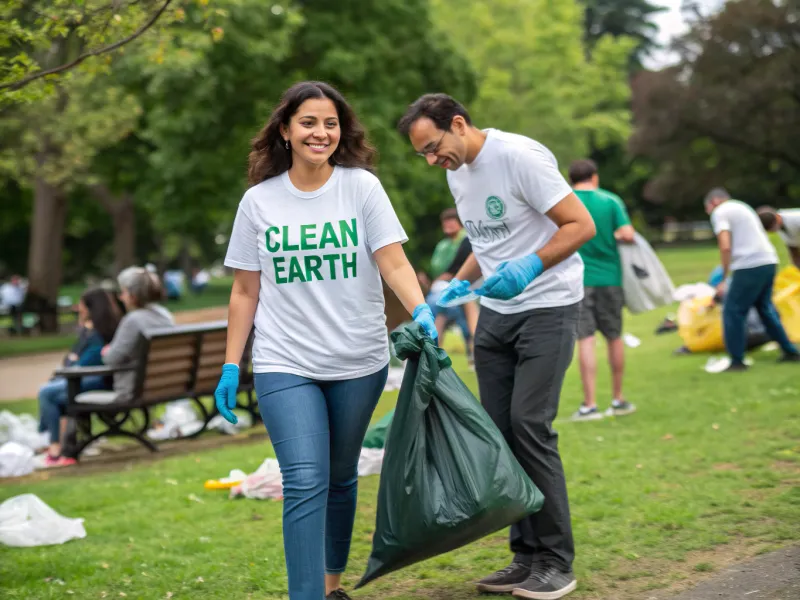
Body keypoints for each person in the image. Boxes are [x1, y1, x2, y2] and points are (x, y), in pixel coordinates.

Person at [213, 81, 436, 600]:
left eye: (330, 123)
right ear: (286, 131)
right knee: (305, 479)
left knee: (340, 475)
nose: (320, 132)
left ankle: (332, 585)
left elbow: (392, 259)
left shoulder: (361, 188)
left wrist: (420, 307)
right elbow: (245, 290)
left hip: (359, 359)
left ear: (342, 131)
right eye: (309, 122)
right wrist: (230, 364)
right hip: (284, 361)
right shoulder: (258, 202)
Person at [399, 93, 595, 600]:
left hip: (548, 305)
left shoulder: (519, 159)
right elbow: (484, 244)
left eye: (433, 147)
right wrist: (453, 285)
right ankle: (524, 556)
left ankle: (556, 561)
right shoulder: (456, 171)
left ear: (459, 124)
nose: (431, 160)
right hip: (496, 316)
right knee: (498, 433)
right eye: (422, 153)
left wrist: (531, 266)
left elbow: (581, 225)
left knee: (530, 426)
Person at [567, 159, 636, 421]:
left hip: (577, 279)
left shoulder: (566, 201)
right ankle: (618, 399)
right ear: (594, 177)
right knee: (614, 336)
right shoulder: (611, 201)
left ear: (571, 178)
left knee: (585, 339)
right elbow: (628, 234)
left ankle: (590, 404)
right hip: (610, 278)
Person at [705, 188, 799, 370]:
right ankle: (790, 351)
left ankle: (737, 361)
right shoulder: (742, 207)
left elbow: (725, 246)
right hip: (769, 260)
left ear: (714, 202)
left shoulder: (720, 211)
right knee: (765, 308)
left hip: (749, 264)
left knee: (732, 311)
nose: (708, 212)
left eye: (707, 208)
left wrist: (723, 278)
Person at [37, 288, 123, 467]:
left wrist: (72, 360)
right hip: (100, 380)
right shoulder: (103, 329)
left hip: (97, 381)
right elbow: (72, 359)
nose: (79, 309)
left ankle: (55, 447)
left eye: (82, 306)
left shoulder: (96, 335)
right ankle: (55, 442)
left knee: (47, 393)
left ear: (91, 308)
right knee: (50, 391)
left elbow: (78, 363)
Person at [101, 267, 175, 400]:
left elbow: (112, 359)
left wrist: (106, 351)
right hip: (163, 383)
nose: (121, 297)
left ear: (133, 296)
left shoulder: (133, 320)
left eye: (123, 292)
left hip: (133, 388)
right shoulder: (165, 315)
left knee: (52, 393)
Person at [426, 209, 476, 352]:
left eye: (451, 221)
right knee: (439, 305)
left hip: (468, 285)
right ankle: (435, 347)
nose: (447, 224)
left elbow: (459, 269)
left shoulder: (467, 240)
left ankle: (436, 346)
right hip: (445, 288)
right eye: (445, 221)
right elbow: (436, 270)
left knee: (441, 304)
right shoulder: (442, 246)